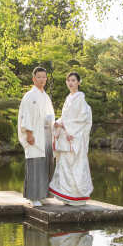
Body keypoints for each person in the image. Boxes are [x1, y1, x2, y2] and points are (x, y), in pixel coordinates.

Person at [48, 72, 93, 205]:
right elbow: (66, 117)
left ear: (79, 82)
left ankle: (76, 197)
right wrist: (58, 123)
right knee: (65, 166)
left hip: (74, 137)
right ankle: (67, 196)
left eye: (73, 80)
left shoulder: (80, 100)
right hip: (65, 136)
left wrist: (66, 126)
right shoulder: (69, 98)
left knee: (74, 165)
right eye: (68, 80)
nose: (70, 83)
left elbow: (83, 119)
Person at [18, 66, 55, 207]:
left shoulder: (45, 96)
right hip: (34, 134)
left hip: (46, 133)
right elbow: (25, 116)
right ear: (33, 79)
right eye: (38, 77)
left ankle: (42, 194)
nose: (41, 80)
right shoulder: (30, 96)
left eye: (44, 77)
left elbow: (49, 115)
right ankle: (33, 197)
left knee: (45, 164)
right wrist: (28, 133)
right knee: (35, 164)